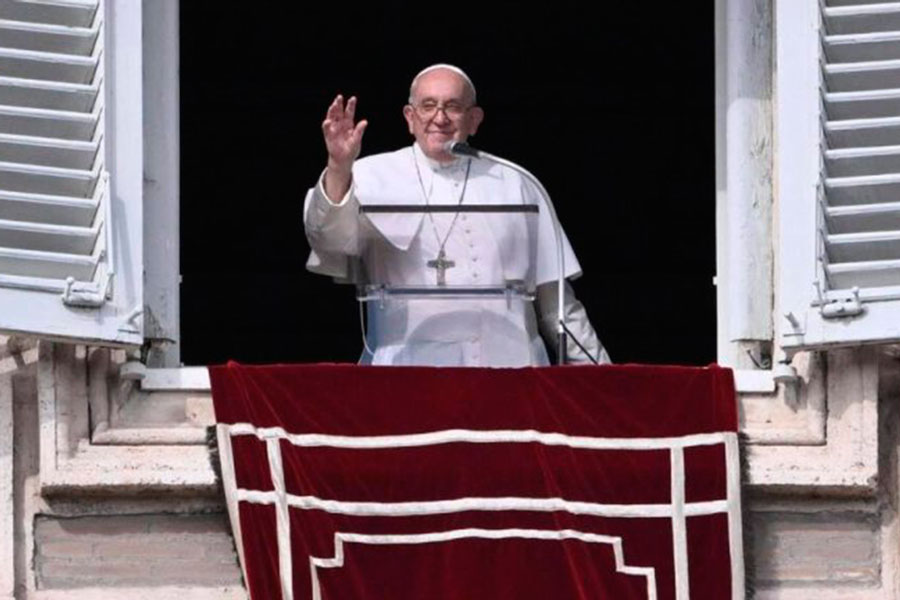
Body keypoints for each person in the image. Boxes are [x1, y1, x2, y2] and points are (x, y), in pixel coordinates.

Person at [304, 64, 610, 367]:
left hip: (514, 376)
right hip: (408, 376)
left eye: (453, 106)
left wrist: (603, 381)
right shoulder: (368, 175)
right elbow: (330, 241)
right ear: (410, 118)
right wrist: (338, 167)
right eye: (428, 106)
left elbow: (556, 308)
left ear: (474, 120)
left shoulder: (518, 182)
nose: (440, 117)